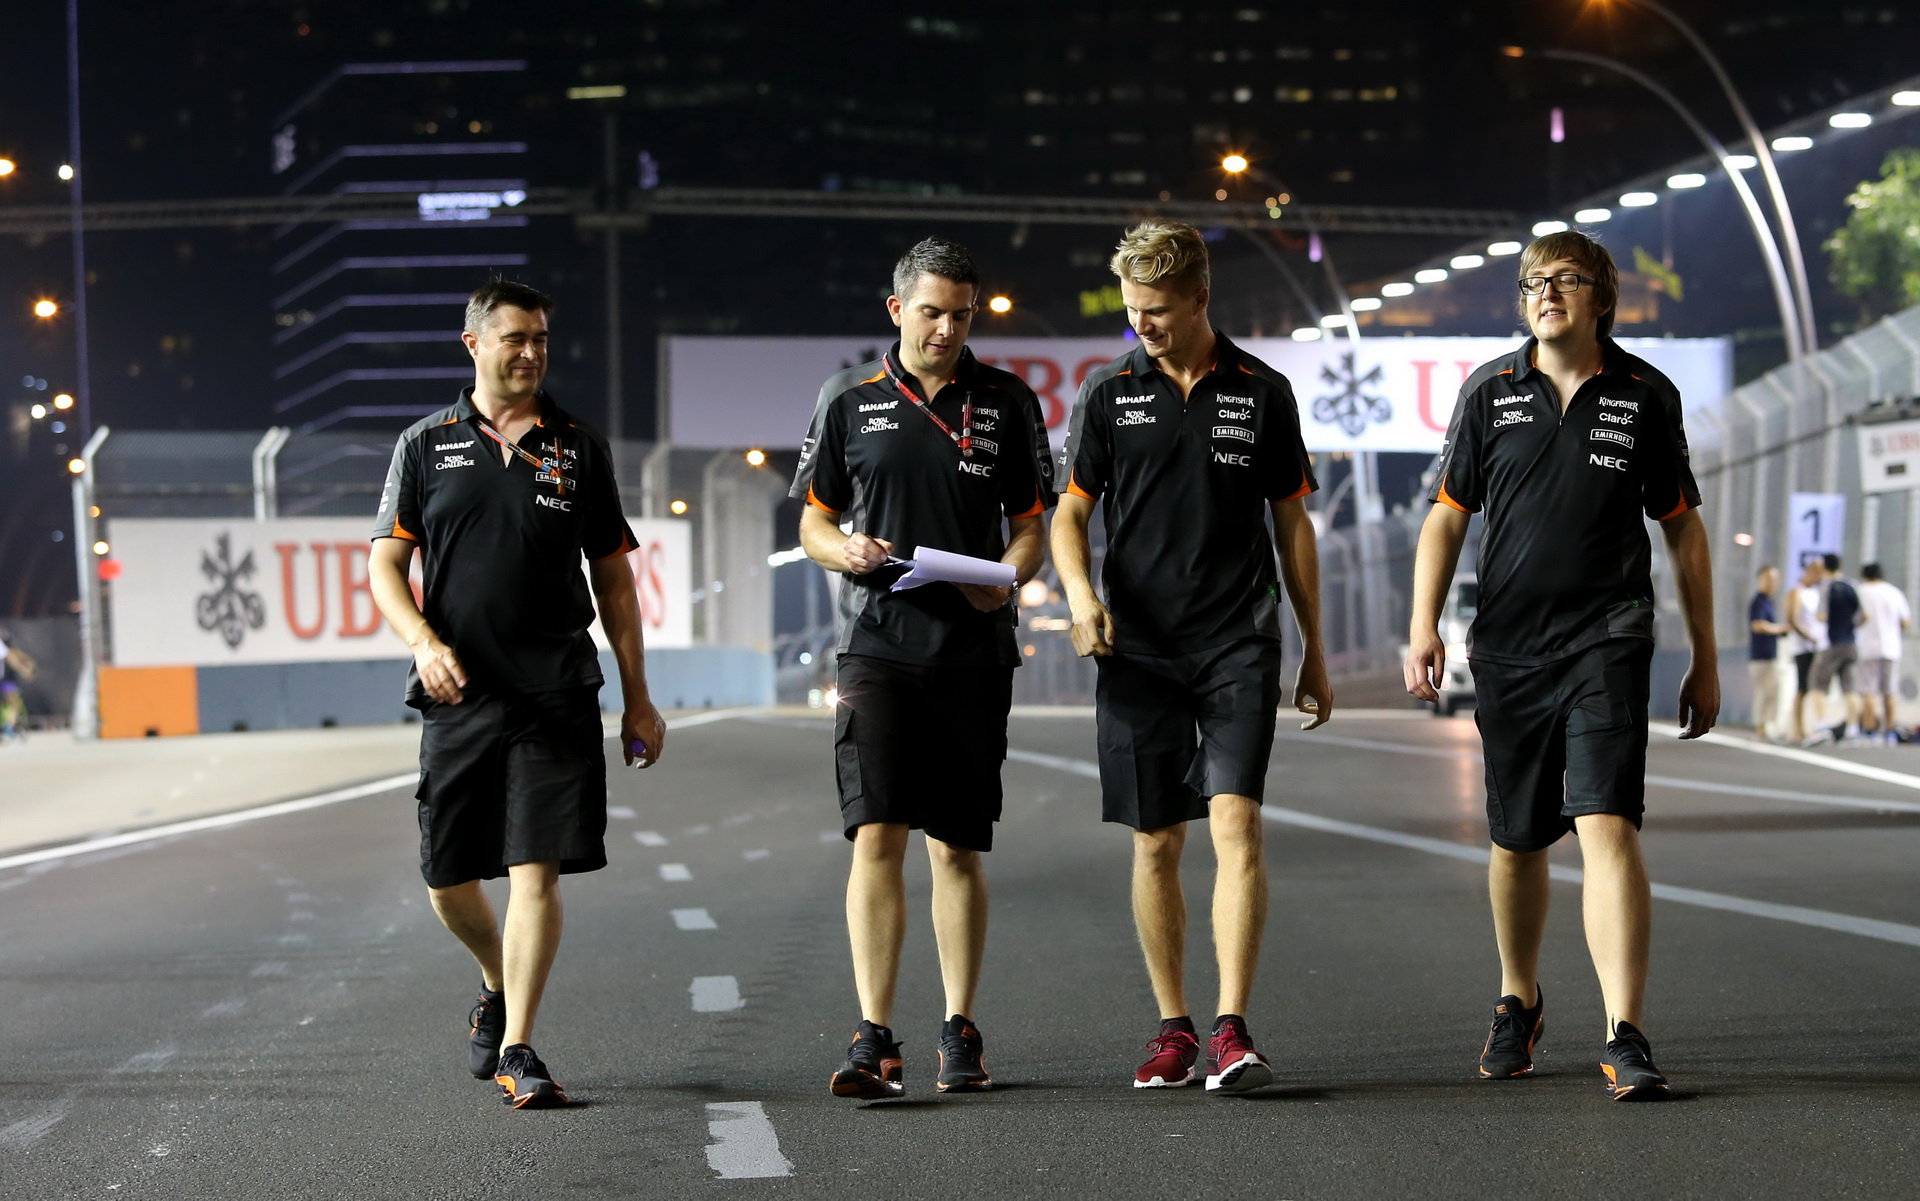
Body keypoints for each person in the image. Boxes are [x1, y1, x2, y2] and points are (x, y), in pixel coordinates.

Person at [1405, 230, 1717, 1101]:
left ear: (1602, 298)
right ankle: (1519, 997)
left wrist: (1706, 654)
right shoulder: (1490, 391)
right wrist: (1421, 624)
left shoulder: (1646, 394)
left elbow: (1682, 525)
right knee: (1517, 838)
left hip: (1608, 636)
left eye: (1566, 279)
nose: (1546, 293)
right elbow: (1446, 515)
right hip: (1507, 643)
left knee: (1607, 822)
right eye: (1534, 282)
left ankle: (1625, 1030)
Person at [368, 279, 665, 1110]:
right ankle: (497, 980)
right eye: (513, 338)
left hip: (557, 691)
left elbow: (613, 579)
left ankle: (520, 1047)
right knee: (447, 878)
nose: (530, 352)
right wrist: (423, 643)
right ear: (474, 345)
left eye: (539, 337)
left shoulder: (580, 446)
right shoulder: (425, 444)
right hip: (459, 693)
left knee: (535, 869)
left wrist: (638, 697)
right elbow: (384, 564)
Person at [1052, 219, 1331, 1094]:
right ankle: (1172, 1028)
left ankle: (1232, 1029)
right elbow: (1068, 514)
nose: (1145, 326)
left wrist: (1315, 645)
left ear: (1203, 298)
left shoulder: (1263, 391)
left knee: (1236, 822)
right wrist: (1080, 595)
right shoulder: (1106, 394)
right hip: (1137, 650)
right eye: (1134, 311)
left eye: (1160, 311)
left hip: (1238, 640)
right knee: (1156, 842)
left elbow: (1292, 520)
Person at [791, 236, 1052, 1099]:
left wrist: (1009, 577)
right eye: (932, 311)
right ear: (897, 310)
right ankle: (873, 1035)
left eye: (962, 313)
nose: (947, 327)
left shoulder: (1008, 401)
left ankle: (959, 1027)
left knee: (957, 847)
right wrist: (846, 551)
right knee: (877, 835)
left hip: (974, 649)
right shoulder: (848, 398)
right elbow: (813, 525)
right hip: (876, 644)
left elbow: (1030, 526)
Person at [1854, 563, 1911, 743]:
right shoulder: (1894, 592)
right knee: (1890, 691)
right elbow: (1905, 622)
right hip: (1891, 647)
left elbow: (1855, 619)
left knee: (1868, 691)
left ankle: (1870, 731)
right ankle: (1890, 731)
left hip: (1867, 647)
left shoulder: (1860, 591)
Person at [1809, 553, 1862, 742]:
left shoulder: (1826, 587)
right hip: (1851, 642)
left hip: (1831, 644)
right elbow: (1863, 615)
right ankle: (1853, 729)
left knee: (1818, 685)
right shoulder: (1852, 585)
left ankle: (1822, 724)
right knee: (1850, 689)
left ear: (1824, 567)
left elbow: (1821, 615)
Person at [1785, 558, 1827, 743]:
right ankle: (1796, 729)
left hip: (1814, 647)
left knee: (1808, 687)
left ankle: (1802, 728)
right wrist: (1810, 637)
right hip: (1802, 647)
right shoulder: (1797, 592)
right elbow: (1793, 620)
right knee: (1802, 687)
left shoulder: (1815, 593)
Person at [1747, 566, 1789, 742]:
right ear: (1760, 580)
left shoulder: (1768, 602)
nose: (1772, 583)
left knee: (1772, 691)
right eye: (1768, 579)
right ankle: (1762, 727)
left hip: (1770, 654)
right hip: (1761, 656)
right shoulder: (1758, 601)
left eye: (1775, 579)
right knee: (1764, 692)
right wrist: (1779, 629)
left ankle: (1767, 726)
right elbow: (1757, 625)